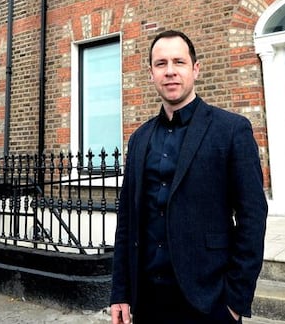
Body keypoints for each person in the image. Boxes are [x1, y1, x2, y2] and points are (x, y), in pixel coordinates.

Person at [109, 30, 268, 324]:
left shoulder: (231, 130)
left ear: (195, 69)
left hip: (208, 302)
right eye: (161, 64)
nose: (170, 71)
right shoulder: (139, 138)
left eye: (179, 62)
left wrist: (235, 301)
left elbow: (252, 216)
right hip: (148, 301)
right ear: (151, 74)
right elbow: (127, 221)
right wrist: (120, 291)